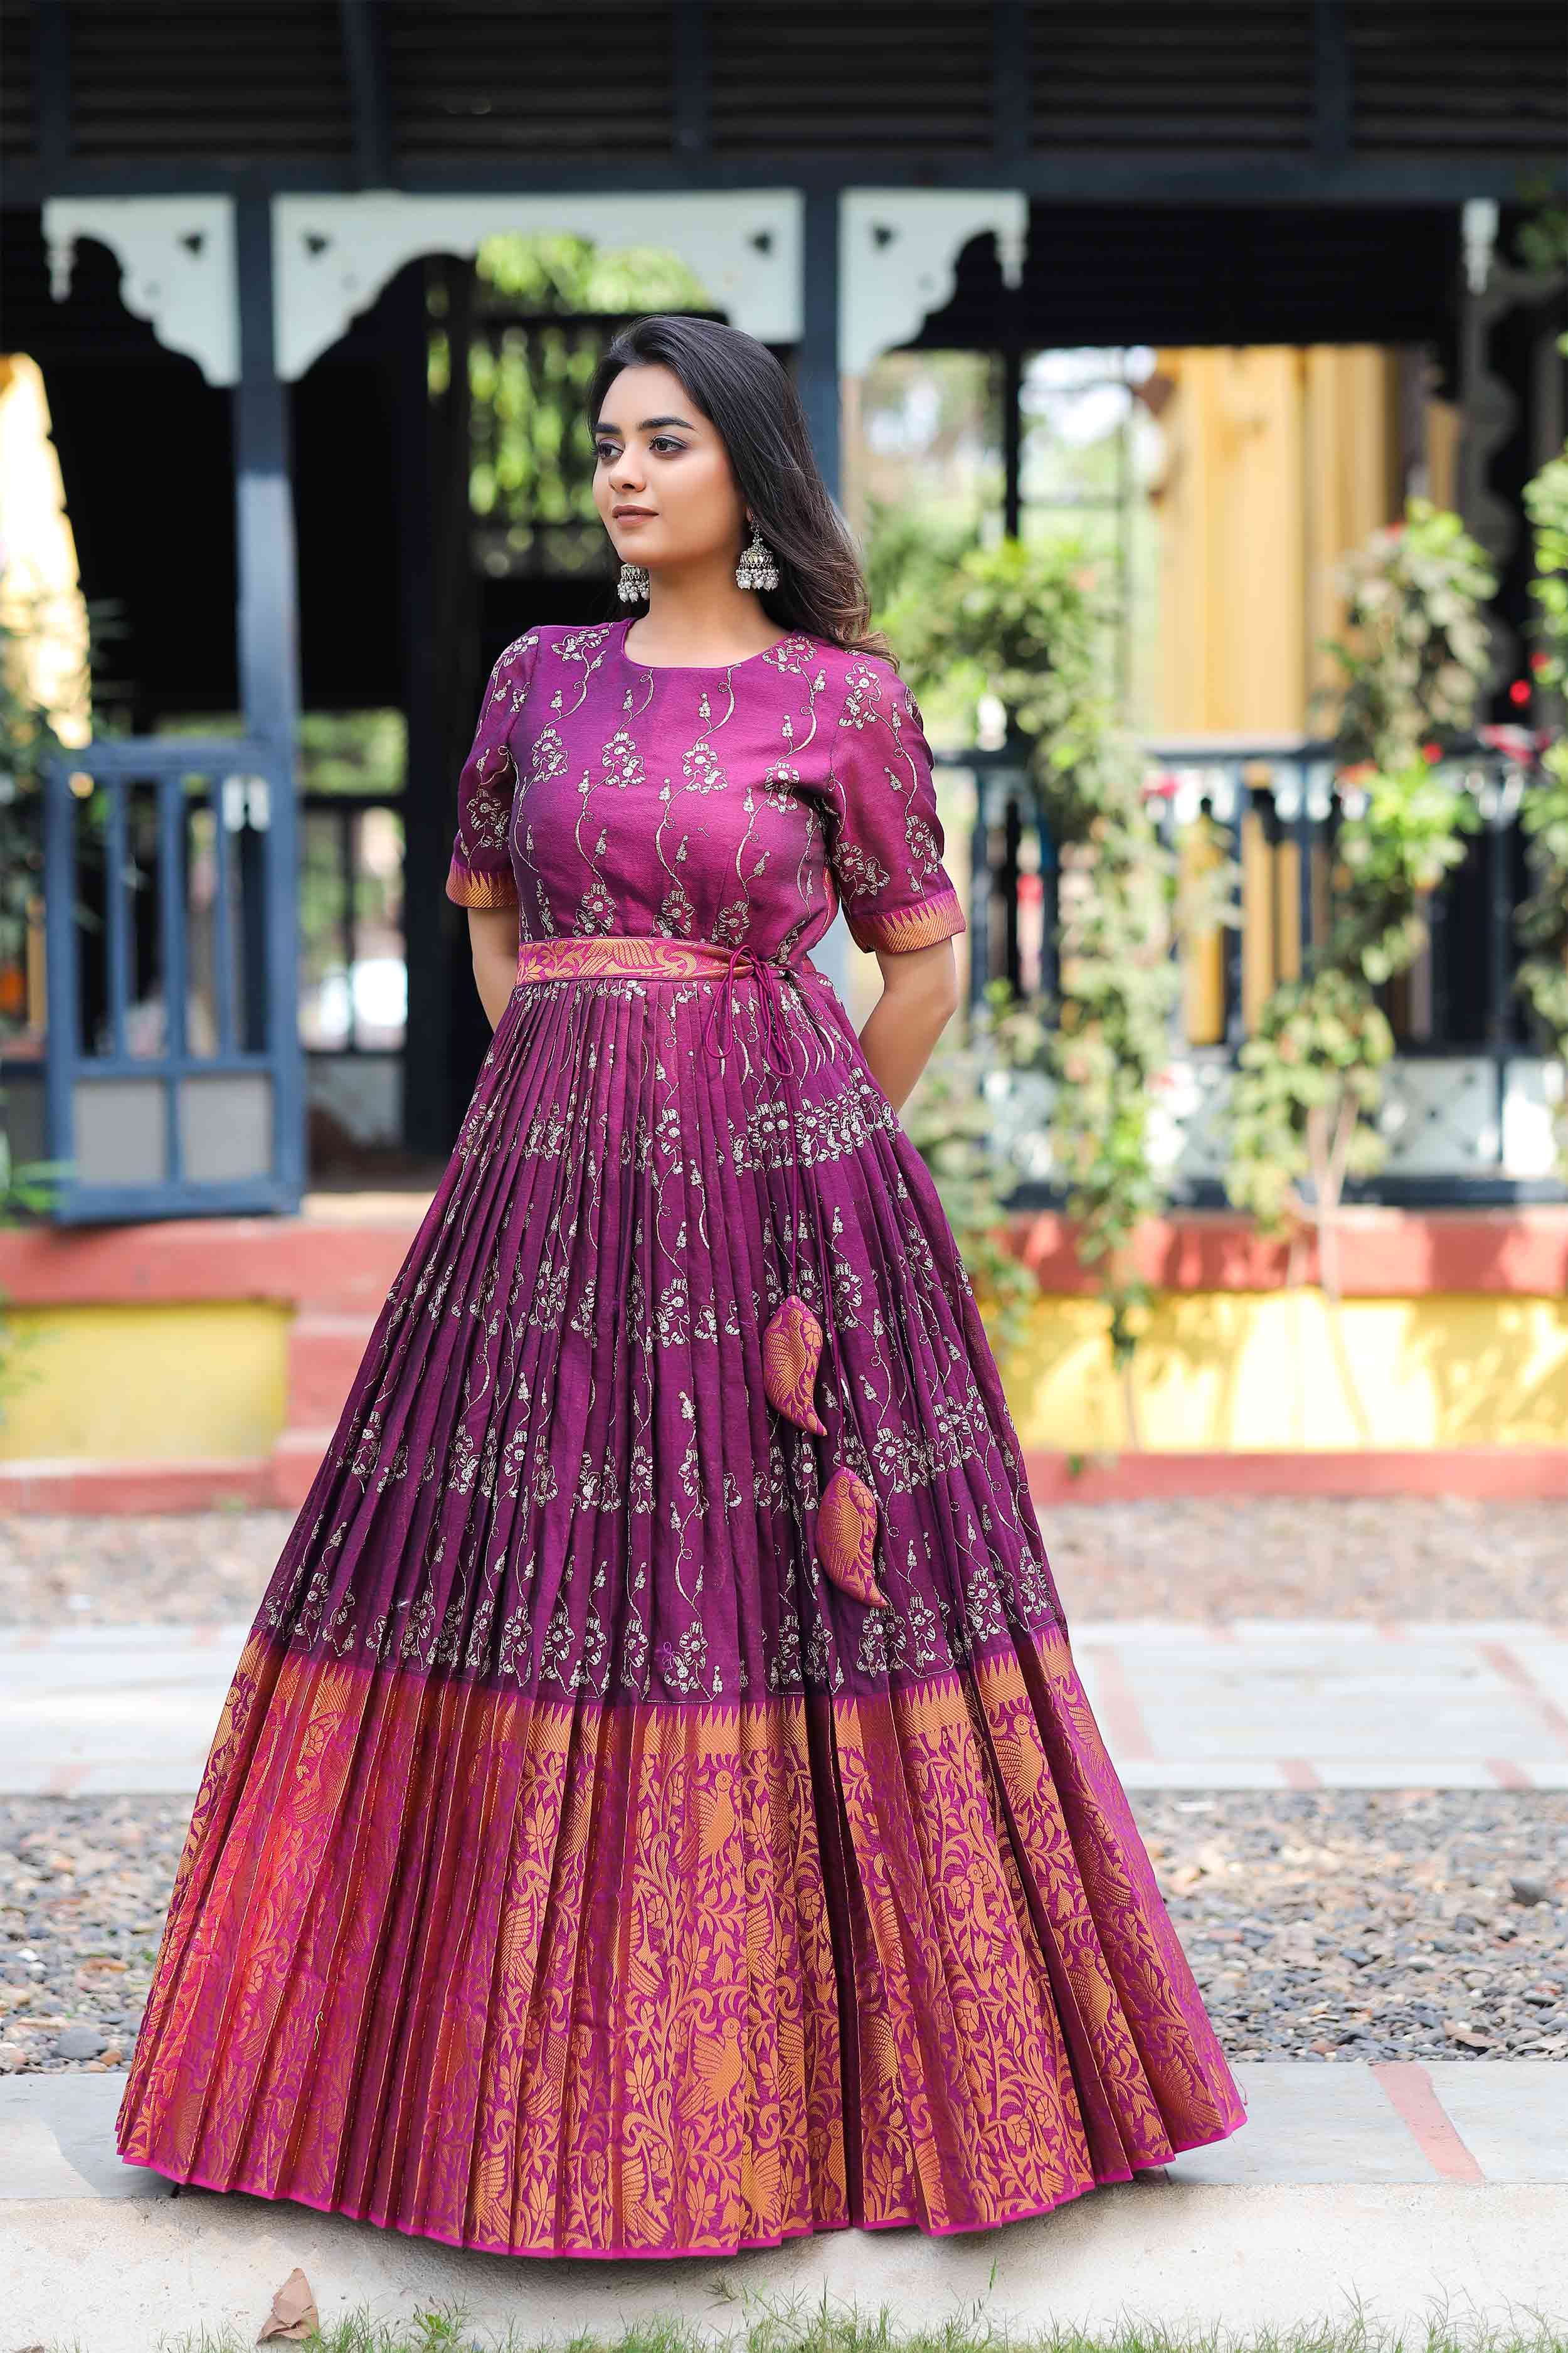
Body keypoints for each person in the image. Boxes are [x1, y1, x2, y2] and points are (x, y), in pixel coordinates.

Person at [115, 313, 1246, 2260]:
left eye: (662, 443)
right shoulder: (537, 681)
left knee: (765, 1603)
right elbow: (490, 924)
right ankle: (442, 2093)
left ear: (747, 471)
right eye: (606, 446)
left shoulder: (842, 702)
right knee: (527, 1586)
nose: (622, 476)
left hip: (785, 1207)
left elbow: (918, 969)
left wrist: (788, 1137)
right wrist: (578, 1093)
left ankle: (819, 2103)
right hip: (543, 1207)